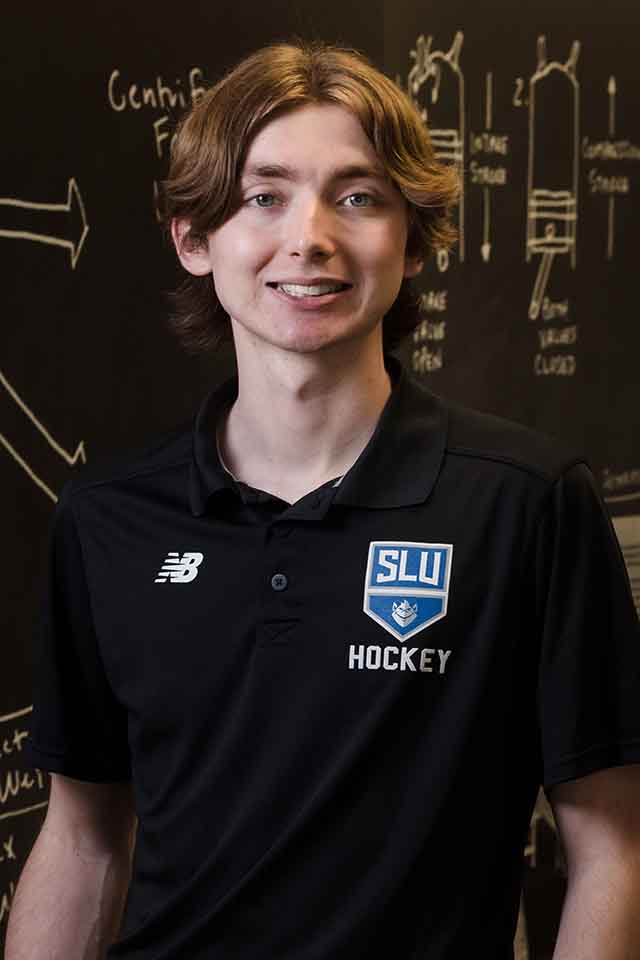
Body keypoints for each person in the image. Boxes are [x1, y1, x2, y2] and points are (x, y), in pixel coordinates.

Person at [7, 38, 640, 960]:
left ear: (413, 239)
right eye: (264, 197)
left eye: (357, 197)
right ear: (194, 237)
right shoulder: (105, 518)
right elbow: (81, 839)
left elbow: (612, 849)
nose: (310, 237)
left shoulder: (527, 505)